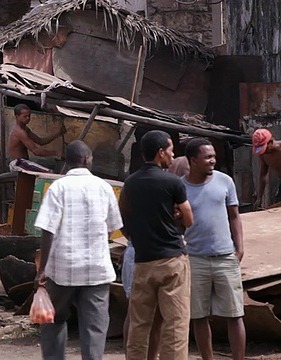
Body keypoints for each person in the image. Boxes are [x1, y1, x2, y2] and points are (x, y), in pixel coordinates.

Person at [33, 140, 123, 360]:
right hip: (96, 270)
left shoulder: (58, 188)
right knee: (95, 327)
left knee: (53, 319)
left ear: (69, 161)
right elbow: (113, 228)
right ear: (86, 159)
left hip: (62, 269)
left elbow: (47, 229)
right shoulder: (104, 187)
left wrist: (41, 269)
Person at [120, 130, 194, 360]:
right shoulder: (173, 182)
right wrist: (174, 216)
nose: (173, 154)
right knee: (175, 323)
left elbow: (123, 222)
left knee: (140, 324)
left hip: (143, 261)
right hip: (172, 261)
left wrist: (139, 233)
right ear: (161, 152)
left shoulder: (130, 183)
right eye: (171, 149)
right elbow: (189, 219)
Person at [183, 138, 246, 360]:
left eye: (213, 157)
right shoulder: (180, 187)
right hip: (195, 259)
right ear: (193, 160)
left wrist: (239, 249)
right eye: (207, 157)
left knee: (235, 313)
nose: (213, 161)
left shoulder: (225, 181)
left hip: (225, 257)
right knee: (199, 316)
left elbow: (234, 217)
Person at [7, 104, 66, 173]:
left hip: (23, 163)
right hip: (18, 164)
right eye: (25, 116)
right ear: (17, 116)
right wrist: (56, 153)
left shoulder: (25, 129)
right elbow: (36, 151)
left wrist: (59, 133)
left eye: (29, 116)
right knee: (49, 173)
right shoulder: (19, 132)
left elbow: (41, 141)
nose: (28, 118)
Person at [252, 128, 281, 208]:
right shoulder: (263, 155)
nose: (264, 152)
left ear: (270, 142)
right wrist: (259, 197)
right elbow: (263, 175)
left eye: (264, 148)